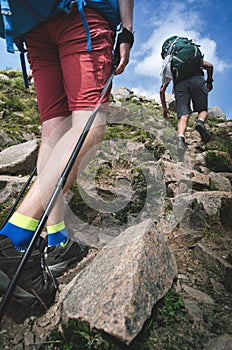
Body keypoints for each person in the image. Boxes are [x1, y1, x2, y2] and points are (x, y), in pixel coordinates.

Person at [0, 0, 134, 308]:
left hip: (30, 26)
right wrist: (126, 32)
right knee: (89, 121)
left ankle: (56, 239)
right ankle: (13, 239)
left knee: (54, 130)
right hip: (80, 15)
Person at [160, 56, 213, 160]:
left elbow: (162, 90)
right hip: (197, 80)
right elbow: (210, 66)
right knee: (202, 109)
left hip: (180, 85)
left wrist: (165, 108)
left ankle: (180, 138)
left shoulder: (172, 66)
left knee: (183, 116)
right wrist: (210, 81)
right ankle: (200, 122)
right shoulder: (192, 59)